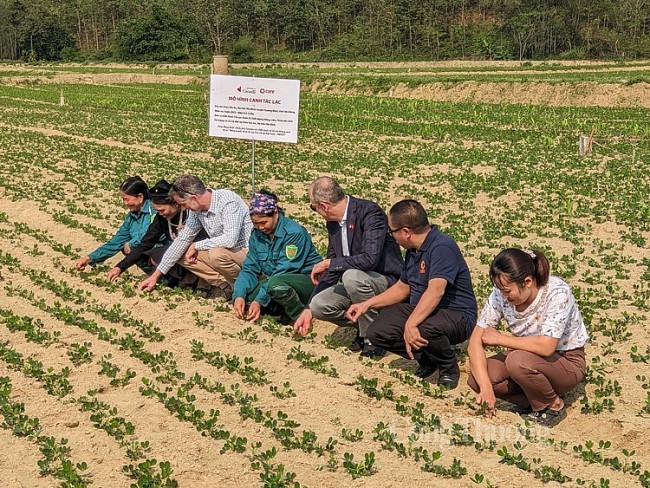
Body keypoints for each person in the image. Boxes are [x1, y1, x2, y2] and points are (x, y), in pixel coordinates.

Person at [347, 200, 477, 389]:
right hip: (425, 309)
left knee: (424, 328)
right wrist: (366, 304)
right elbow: (402, 288)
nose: (392, 236)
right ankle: (428, 359)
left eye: (392, 231)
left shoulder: (442, 247)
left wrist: (411, 323)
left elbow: (436, 291)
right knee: (377, 332)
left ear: (406, 232)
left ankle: (448, 367)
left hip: (456, 314)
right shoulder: (413, 251)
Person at [467, 248, 588, 427]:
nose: (503, 296)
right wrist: (486, 389)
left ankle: (553, 405)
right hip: (527, 357)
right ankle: (535, 401)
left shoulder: (557, 292)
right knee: (477, 378)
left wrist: (500, 339)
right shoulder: (500, 295)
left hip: (566, 360)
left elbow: (546, 347)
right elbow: (474, 343)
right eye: (500, 290)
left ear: (528, 282)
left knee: (518, 361)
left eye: (507, 291)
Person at [292, 176, 403, 358]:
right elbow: (333, 264)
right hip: (357, 283)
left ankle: (372, 337)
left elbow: (369, 259)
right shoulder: (333, 223)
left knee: (351, 277)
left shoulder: (369, 212)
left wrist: (329, 263)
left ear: (324, 206)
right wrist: (308, 307)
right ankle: (364, 325)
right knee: (320, 305)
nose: (316, 212)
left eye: (314, 207)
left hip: (386, 280)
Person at [137, 174, 252, 299]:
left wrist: (197, 245)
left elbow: (230, 240)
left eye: (183, 204)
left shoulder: (227, 201)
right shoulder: (196, 210)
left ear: (194, 198)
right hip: (226, 252)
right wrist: (155, 275)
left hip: (246, 252)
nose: (182, 208)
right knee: (182, 251)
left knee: (217, 254)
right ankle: (226, 285)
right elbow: (183, 239)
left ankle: (245, 285)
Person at [232, 191, 323, 323]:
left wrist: (259, 301)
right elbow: (249, 268)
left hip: (307, 281)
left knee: (274, 286)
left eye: (264, 222)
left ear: (275, 213)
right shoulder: (257, 234)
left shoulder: (293, 233)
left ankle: (298, 316)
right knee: (249, 296)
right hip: (278, 281)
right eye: (255, 223)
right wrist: (238, 295)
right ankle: (281, 310)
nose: (260, 227)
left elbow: (284, 270)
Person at [106, 179, 208, 290]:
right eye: (157, 210)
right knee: (151, 255)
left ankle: (202, 285)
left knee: (179, 251)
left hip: (200, 251)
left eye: (162, 210)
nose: (160, 214)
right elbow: (145, 243)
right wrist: (120, 267)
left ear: (175, 203)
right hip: (177, 253)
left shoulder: (191, 212)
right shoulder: (161, 218)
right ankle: (176, 282)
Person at [75, 176, 155, 271]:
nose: (124, 203)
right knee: (125, 246)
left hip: (163, 252)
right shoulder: (132, 215)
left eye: (127, 199)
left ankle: (165, 278)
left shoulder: (153, 211)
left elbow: (148, 236)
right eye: (123, 199)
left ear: (140, 197)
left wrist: (131, 244)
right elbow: (117, 241)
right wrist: (89, 258)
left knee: (133, 248)